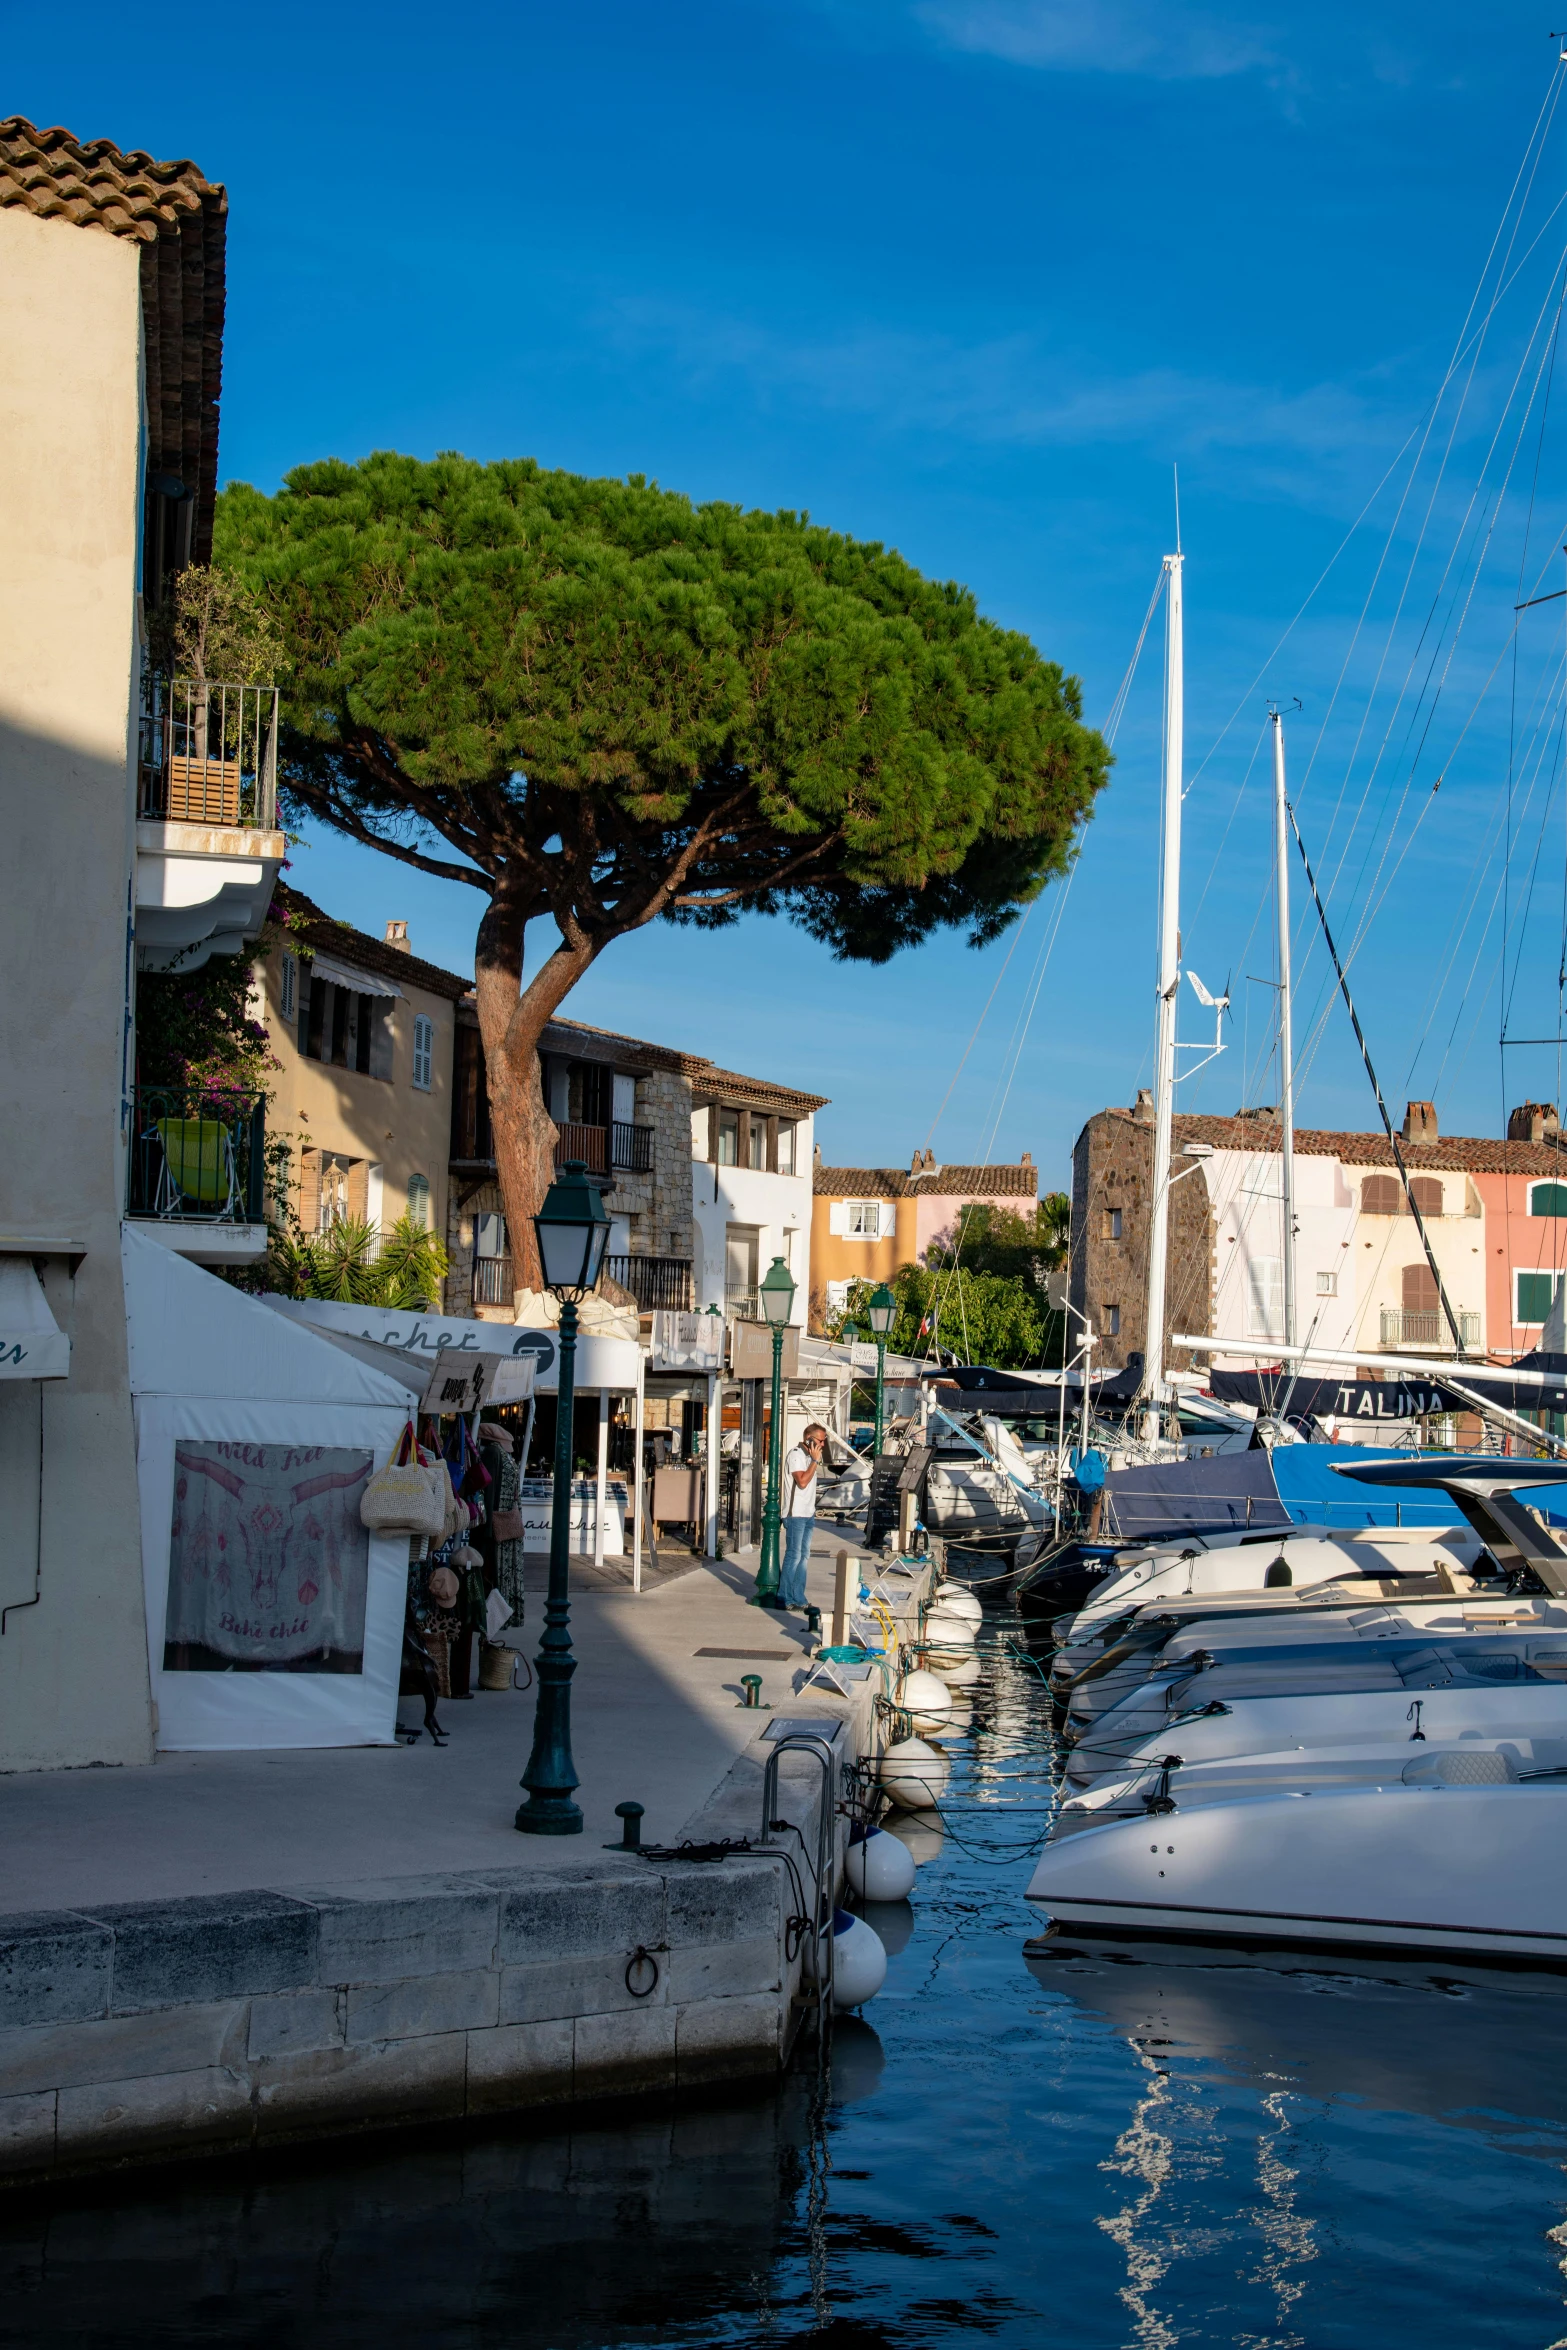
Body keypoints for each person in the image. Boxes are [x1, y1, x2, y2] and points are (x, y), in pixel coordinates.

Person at [779, 1422, 827, 1608]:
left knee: (804, 1556)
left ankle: (798, 1596)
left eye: (824, 1442)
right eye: (820, 1441)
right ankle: (785, 1596)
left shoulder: (809, 1457)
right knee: (794, 1555)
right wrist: (815, 1462)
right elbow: (802, 1482)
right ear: (809, 1439)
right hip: (795, 1514)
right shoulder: (797, 1455)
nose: (822, 1445)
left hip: (808, 1513)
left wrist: (814, 1460)